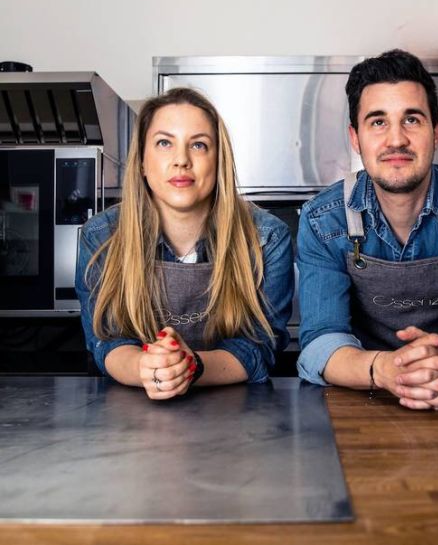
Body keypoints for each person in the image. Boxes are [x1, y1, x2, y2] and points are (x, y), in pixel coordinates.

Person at [297, 49, 438, 410]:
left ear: (436, 133)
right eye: (377, 122)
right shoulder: (322, 220)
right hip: (359, 407)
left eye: (412, 120)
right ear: (355, 139)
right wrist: (386, 370)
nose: (396, 140)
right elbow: (320, 342)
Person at [76, 87, 293, 399]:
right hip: (129, 421)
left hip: (234, 419)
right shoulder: (100, 237)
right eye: (165, 143)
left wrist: (191, 367)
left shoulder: (266, 238)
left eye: (199, 145)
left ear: (219, 162)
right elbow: (105, 341)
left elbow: (260, 346)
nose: (181, 161)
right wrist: (148, 367)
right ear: (141, 162)